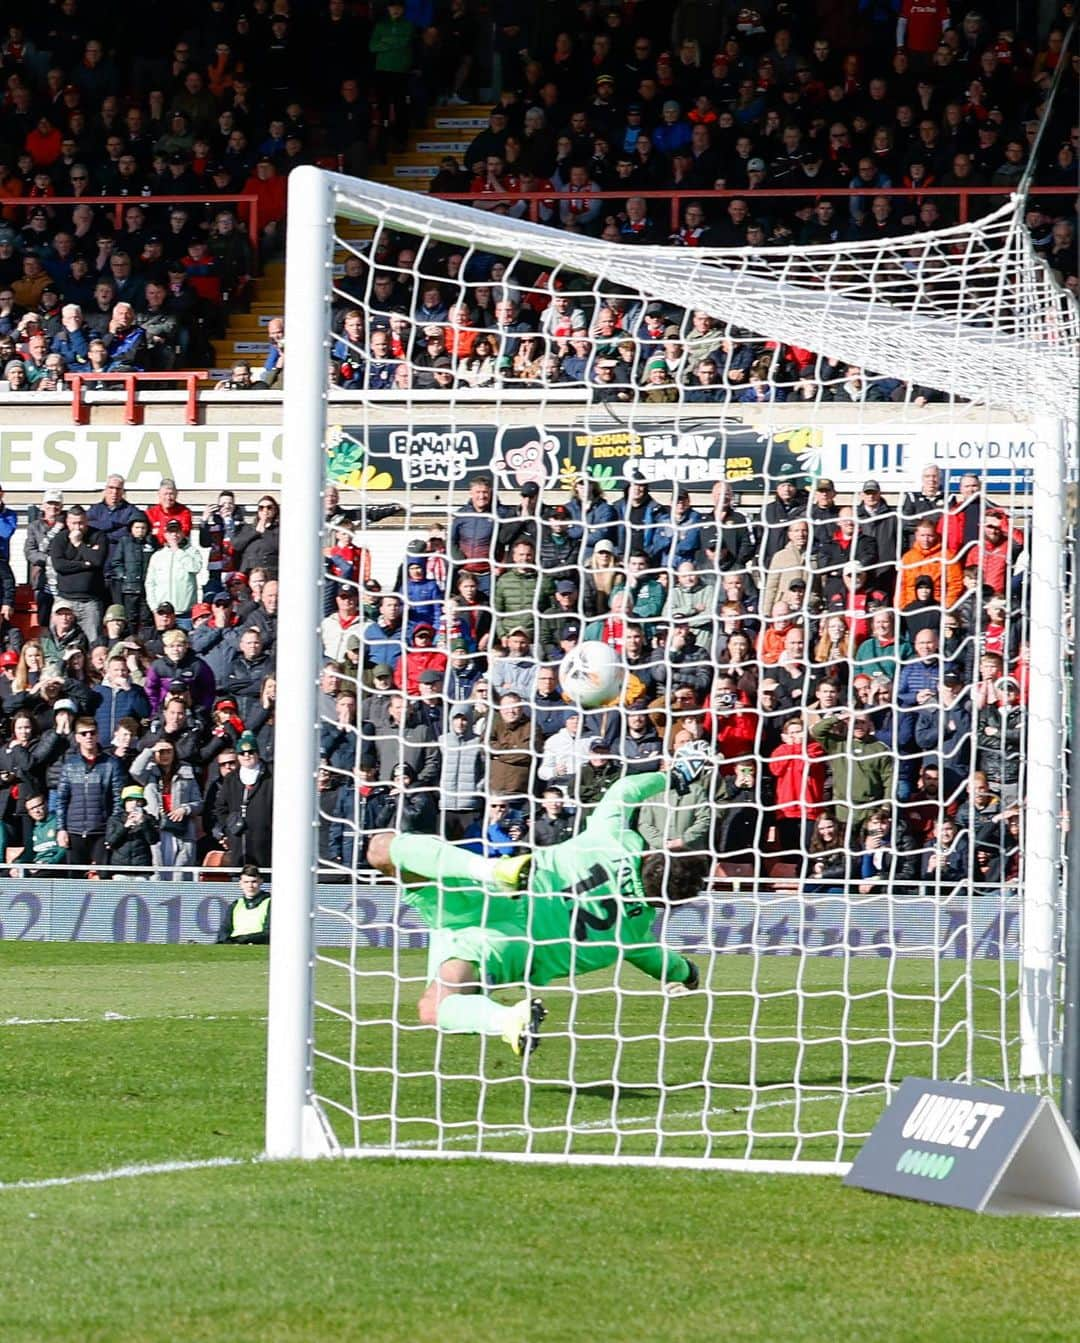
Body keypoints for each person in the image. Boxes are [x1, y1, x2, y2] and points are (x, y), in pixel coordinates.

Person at [365, 762, 710, 1057]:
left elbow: (624, 789)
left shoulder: (616, 841)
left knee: (383, 849)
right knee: (434, 1007)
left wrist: (674, 776)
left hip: (499, 895)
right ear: (667, 903)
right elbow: (665, 964)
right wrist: (688, 974)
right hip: (510, 945)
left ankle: (489, 869)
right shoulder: (633, 934)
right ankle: (507, 1020)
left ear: (651, 855)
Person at [56, 715, 124, 870]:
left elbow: (118, 800)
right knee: (74, 882)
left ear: (98, 734)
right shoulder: (69, 765)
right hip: (74, 831)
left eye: (92, 733)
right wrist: (61, 829)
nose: (89, 737)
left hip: (101, 832)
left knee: (104, 880)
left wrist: (113, 830)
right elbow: (61, 800)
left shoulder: (111, 764)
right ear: (77, 737)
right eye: (84, 733)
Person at [213, 729, 274, 868]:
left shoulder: (270, 776)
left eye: (251, 752)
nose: (247, 756)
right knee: (239, 876)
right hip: (238, 840)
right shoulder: (231, 779)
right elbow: (220, 807)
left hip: (265, 840)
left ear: (257, 753)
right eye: (242, 753)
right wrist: (230, 825)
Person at [216, 863, 271, 944]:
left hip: (256, 945)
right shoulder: (236, 904)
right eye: (246, 882)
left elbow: (269, 933)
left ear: (261, 882)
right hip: (234, 946)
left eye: (254, 882)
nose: (250, 886)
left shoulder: (270, 903)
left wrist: (244, 939)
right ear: (240, 884)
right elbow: (225, 929)